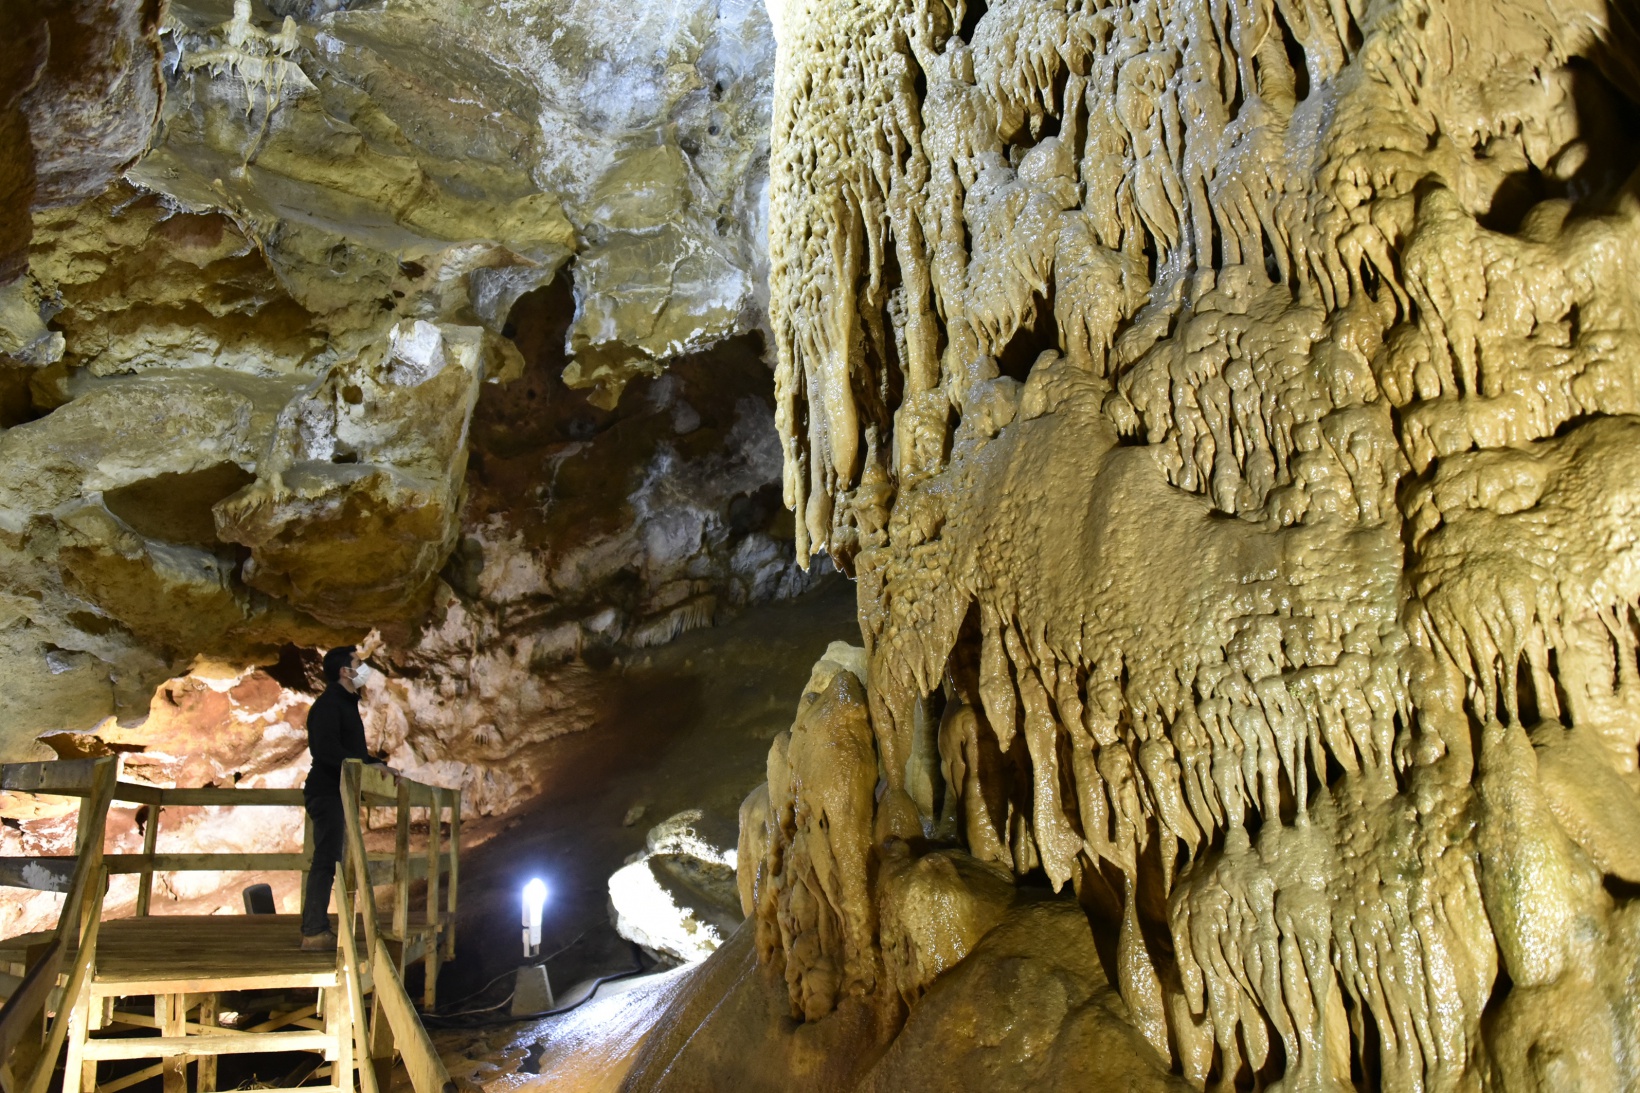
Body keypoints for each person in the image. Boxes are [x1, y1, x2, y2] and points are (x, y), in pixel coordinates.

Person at [300, 645, 392, 949]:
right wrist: (366, 765)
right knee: (327, 858)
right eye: (358, 663)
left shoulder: (344, 704)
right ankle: (314, 931)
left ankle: (320, 927)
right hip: (327, 791)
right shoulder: (329, 706)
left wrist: (375, 764)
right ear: (345, 671)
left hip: (337, 791)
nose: (364, 669)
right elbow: (326, 751)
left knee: (334, 858)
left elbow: (349, 752)